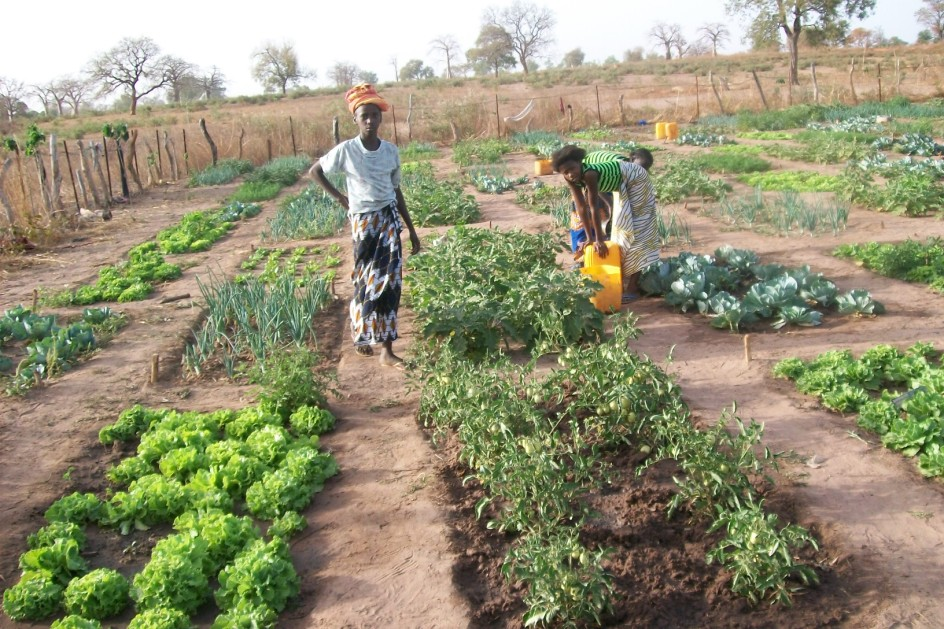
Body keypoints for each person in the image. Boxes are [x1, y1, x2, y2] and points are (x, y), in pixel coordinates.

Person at [309, 83, 421, 367]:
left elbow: (396, 191)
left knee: (391, 285)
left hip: (389, 221)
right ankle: (360, 334)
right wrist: (340, 198)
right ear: (355, 120)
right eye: (364, 116)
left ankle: (387, 351)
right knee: (364, 280)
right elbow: (316, 171)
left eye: (374, 115)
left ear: (381, 118)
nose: (370, 120)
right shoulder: (346, 150)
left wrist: (412, 229)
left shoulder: (390, 151)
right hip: (364, 224)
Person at [551, 145, 660, 305]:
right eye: (565, 172)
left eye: (572, 169)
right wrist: (590, 239)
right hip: (622, 183)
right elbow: (581, 207)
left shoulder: (590, 174)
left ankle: (633, 287)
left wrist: (599, 240)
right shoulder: (571, 178)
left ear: (580, 163)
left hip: (636, 179)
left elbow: (593, 206)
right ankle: (619, 281)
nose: (570, 174)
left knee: (637, 228)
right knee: (620, 229)